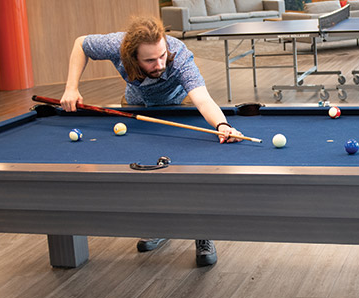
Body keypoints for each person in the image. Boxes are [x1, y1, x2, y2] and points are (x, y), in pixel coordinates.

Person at [60, 15, 243, 267]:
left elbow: (202, 98)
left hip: (180, 106)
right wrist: (71, 87)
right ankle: (160, 225)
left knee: (189, 169)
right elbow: (81, 44)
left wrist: (223, 125)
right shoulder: (116, 45)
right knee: (147, 168)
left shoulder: (179, 56)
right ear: (131, 56)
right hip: (137, 106)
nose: (159, 64)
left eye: (161, 56)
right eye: (149, 60)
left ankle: (203, 233)